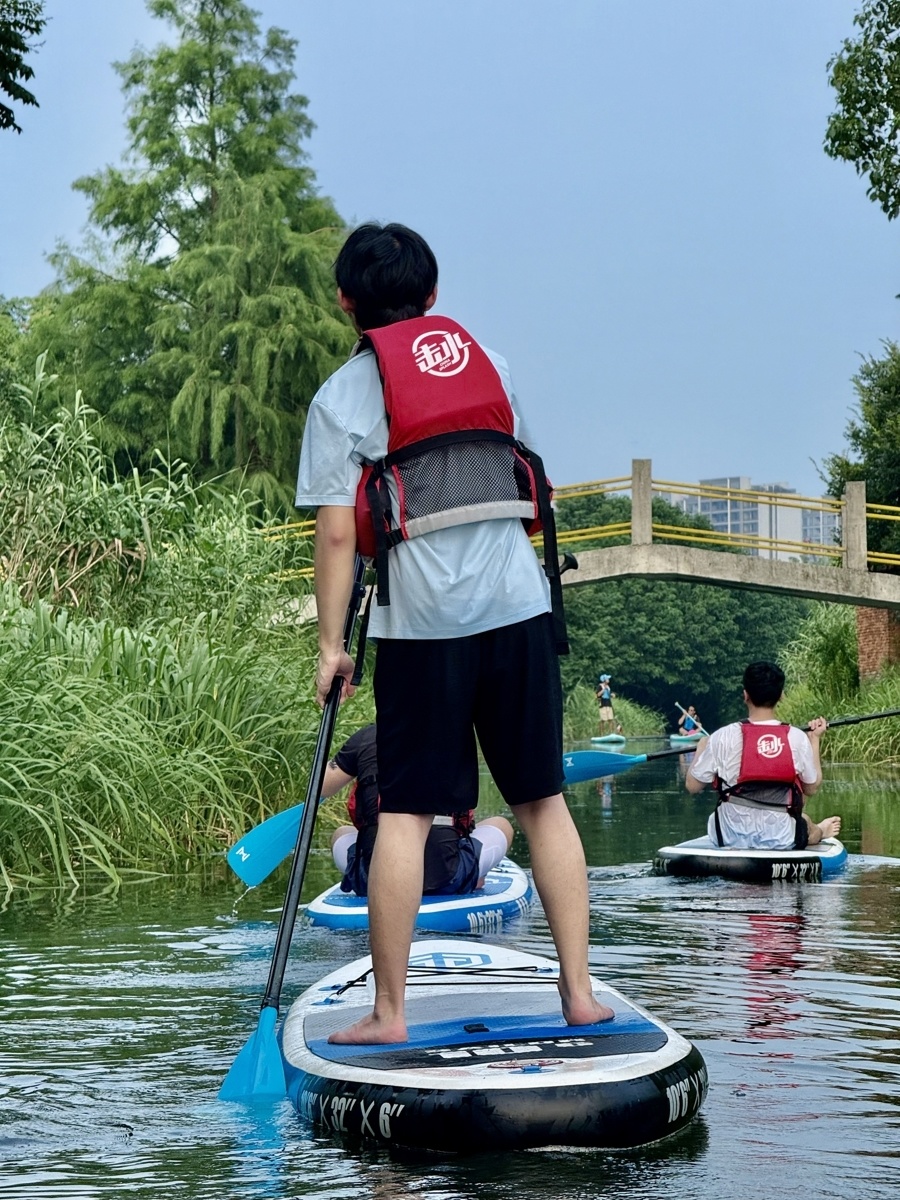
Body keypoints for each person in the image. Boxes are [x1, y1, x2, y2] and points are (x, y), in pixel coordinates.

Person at [296, 221, 613, 1044]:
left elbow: (337, 536)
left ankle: (390, 1014)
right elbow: (532, 477)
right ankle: (578, 994)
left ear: (346, 303)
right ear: (432, 297)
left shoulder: (342, 397)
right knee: (542, 803)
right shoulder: (492, 367)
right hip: (518, 608)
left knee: (403, 814)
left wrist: (333, 648)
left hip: (422, 627)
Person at [322, 723, 513, 895]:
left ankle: (364, 876)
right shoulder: (453, 736)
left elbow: (322, 787)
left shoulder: (367, 736)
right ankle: (474, 876)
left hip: (371, 880)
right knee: (502, 824)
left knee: (342, 833)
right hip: (448, 878)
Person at [684, 661, 841, 850]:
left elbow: (692, 786)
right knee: (806, 822)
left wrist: (702, 747)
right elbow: (811, 787)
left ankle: (818, 828)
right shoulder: (796, 738)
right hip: (781, 838)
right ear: (781, 696)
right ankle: (821, 831)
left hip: (728, 836)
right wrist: (814, 739)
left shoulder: (722, 736)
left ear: (745, 695)